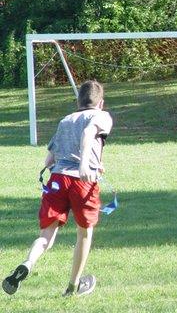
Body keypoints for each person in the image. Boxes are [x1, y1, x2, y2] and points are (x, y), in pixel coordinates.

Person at [2, 80, 113, 297]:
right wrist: (84, 164)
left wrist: (89, 161)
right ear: (101, 102)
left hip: (57, 179)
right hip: (82, 181)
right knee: (84, 233)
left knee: (46, 235)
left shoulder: (66, 120)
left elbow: (49, 159)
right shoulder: (101, 116)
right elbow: (89, 132)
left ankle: (28, 262)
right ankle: (73, 287)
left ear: (77, 101)